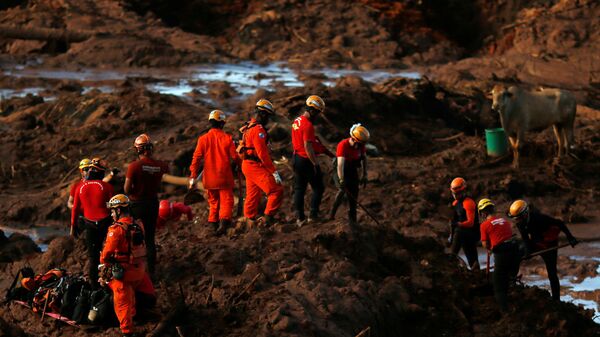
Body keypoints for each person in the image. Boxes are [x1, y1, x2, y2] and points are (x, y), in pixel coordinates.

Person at [101, 194, 156, 337]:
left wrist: (104, 266)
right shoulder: (138, 225)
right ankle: (134, 318)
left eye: (113, 211)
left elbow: (106, 254)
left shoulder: (116, 230)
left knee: (122, 302)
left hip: (124, 273)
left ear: (118, 211)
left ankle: (127, 332)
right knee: (130, 297)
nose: (112, 214)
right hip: (139, 270)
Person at [509, 199, 578, 300]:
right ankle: (512, 282)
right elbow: (525, 239)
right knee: (517, 255)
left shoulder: (539, 218)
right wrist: (528, 251)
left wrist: (570, 238)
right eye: (515, 218)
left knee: (552, 273)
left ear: (525, 214)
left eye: (518, 218)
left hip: (549, 245)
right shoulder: (520, 224)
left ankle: (556, 299)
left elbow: (560, 224)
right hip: (536, 242)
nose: (517, 221)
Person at [188, 110, 239, 234]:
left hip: (209, 178)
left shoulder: (203, 139)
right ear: (222, 123)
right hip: (224, 177)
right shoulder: (227, 138)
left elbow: (196, 159)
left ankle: (213, 224)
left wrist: (193, 177)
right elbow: (236, 157)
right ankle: (223, 224)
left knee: (213, 201)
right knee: (227, 200)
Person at [125, 133, 169, 276]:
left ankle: (136, 270)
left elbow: (126, 189)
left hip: (137, 204)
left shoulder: (134, 166)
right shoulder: (160, 166)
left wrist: (134, 192)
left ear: (138, 149)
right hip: (152, 204)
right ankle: (152, 272)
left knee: (135, 237)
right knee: (150, 238)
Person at [237, 99, 283, 226]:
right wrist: (274, 172)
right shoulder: (258, 130)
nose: (268, 119)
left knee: (253, 194)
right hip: (254, 165)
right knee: (276, 190)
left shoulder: (248, 126)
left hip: (247, 165)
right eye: (267, 116)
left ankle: (248, 219)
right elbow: (262, 154)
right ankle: (267, 219)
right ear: (263, 114)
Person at [291, 95, 334, 226]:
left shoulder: (296, 120)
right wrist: (315, 164)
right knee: (318, 188)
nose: (318, 115)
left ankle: (300, 218)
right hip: (305, 160)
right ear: (313, 110)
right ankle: (313, 215)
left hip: (296, 158)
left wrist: (325, 151)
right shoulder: (308, 125)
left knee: (299, 188)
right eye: (318, 112)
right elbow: (308, 147)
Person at [71, 158, 114, 287]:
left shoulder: (80, 187)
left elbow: (75, 208)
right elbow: (112, 207)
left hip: (89, 225)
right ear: (101, 174)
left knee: (92, 256)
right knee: (109, 253)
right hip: (105, 224)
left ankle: (94, 285)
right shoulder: (107, 186)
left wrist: (73, 225)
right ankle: (109, 281)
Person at [478, 198, 520, 312]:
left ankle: (506, 314)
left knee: (498, 288)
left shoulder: (484, 225)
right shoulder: (504, 221)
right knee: (508, 279)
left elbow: (485, 244)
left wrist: (489, 248)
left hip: (502, 254)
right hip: (515, 251)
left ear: (483, 213)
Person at [329, 124, 370, 226]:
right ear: (354, 139)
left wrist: (365, 174)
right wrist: (341, 180)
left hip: (352, 168)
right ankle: (332, 214)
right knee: (343, 190)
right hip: (341, 169)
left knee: (354, 190)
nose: (362, 145)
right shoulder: (343, 145)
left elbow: (364, 159)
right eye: (360, 143)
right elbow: (340, 165)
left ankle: (353, 218)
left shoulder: (361, 145)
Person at [449, 177, 480, 270]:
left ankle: (452, 257)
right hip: (462, 233)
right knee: (458, 232)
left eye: (458, 193)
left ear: (463, 191)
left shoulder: (468, 203)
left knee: (471, 256)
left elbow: (470, 223)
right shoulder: (455, 204)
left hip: (471, 233)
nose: (456, 196)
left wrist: (458, 224)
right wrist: (451, 235)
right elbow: (452, 222)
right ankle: (452, 259)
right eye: (454, 194)